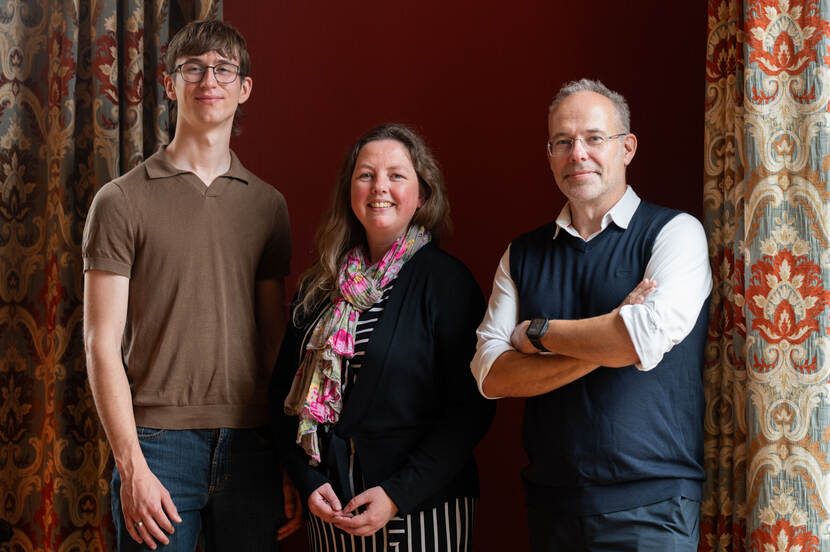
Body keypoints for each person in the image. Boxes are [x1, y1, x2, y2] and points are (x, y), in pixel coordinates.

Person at [83, 19, 300, 551]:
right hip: (157, 447)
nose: (210, 80)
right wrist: (130, 464)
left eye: (224, 69)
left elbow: (275, 344)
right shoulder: (120, 200)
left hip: (253, 447)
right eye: (194, 68)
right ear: (171, 83)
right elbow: (100, 343)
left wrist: (292, 462)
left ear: (244, 87)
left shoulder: (268, 207)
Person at [471, 79, 712, 551]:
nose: (577, 153)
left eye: (593, 138)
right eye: (563, 142)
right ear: (549, 155)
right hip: (552, 507)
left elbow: (634, 341)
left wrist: (537, 333)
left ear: (627, 148)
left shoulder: (675, 233)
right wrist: (610, 332)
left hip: (653, 508)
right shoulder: (522, 254)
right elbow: (491, 375)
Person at [270, 123, 495, 551]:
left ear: (422, 195)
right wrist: (308, 480)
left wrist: (397, 495)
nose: (380, 187)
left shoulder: (446, 282)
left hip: (421, 508)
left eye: (396, 175)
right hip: (333, 512)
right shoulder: (319, 288)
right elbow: (282, 393)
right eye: (366, 174)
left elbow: (471, 410)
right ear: (350, 191)